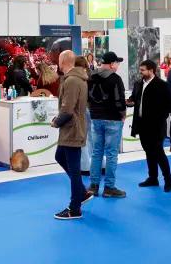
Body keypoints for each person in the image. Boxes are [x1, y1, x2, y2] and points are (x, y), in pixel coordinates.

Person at [51, 52, 94, 220]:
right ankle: (82, 193)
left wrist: (56, 122)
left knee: (74, 169)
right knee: (60, 156)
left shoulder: (72, 80)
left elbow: (67, 110)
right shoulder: (78, 79)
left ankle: (75, 208)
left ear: (63, 62)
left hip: (72, 128)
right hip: (73, 127)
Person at [87, 51, 128, 198]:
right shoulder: (115, 79)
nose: (117, 65)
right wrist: (123, 114)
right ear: (111, 64)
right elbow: (119, 100)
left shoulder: (91, 76)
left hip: (96, 118)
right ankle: (109, 187)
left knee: (96, 153)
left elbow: (88, 98)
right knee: (111, 155)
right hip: (112, 119)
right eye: (117, 63)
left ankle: (93, 186)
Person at [130, 60, 171, 192]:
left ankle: (168, 180)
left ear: (151, 70)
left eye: (143, 70)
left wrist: (160, 118)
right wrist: (130, 102)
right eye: (140, 69)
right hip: (141, 124)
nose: (141, 72)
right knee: (148, 151)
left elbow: (169, 104)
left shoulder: (162, 85)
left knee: (159, 152)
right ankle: (153, 177)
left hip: (156, 125)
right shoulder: (138, 84)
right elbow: (134, 97)